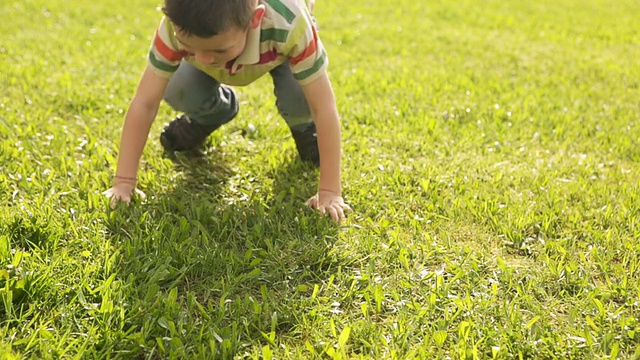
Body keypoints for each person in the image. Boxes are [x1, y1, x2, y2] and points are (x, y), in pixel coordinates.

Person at [103, 0, 351, 222]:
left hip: (280, 52)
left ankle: (303, 127)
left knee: (302, 95)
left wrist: (329, 192)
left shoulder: (291, 23)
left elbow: (324, 107)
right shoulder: (176, 24)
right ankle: (211, 113)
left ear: (255, 20)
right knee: (179, 87)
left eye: (218, 50)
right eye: (188, 46)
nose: (203, 58)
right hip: (229, 41)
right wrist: (124, 182)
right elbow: (144, 103)